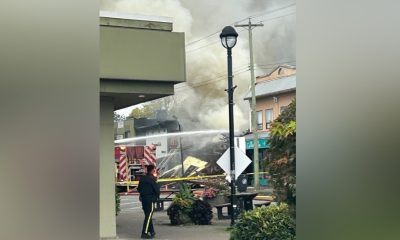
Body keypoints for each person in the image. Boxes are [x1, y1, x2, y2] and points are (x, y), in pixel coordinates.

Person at [137, 165, 160, 239]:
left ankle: (152, 231)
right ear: (153, 170)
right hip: (150, 200)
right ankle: (144, 233)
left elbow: (139, 189)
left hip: (144, 199)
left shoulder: (142, 178)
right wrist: (156, 197)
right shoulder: (153, 179)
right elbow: (157, 190)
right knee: (148, 216)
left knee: (147, 216)